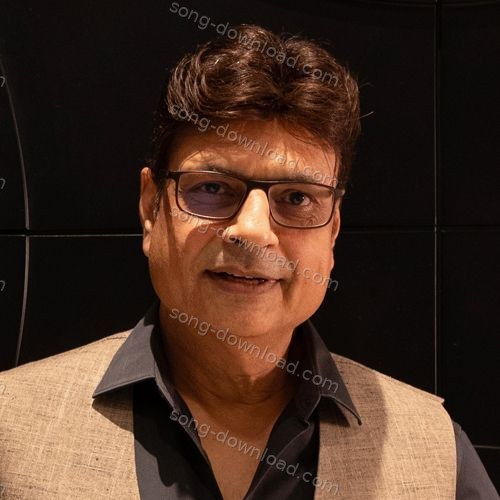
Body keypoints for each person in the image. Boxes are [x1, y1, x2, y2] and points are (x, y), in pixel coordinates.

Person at [0, 24, 498, 500]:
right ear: (151, 209)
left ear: (333, 231)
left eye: (298, 198)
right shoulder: (11, 428)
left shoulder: (435, 452)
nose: (254, 231)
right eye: (212, 188)